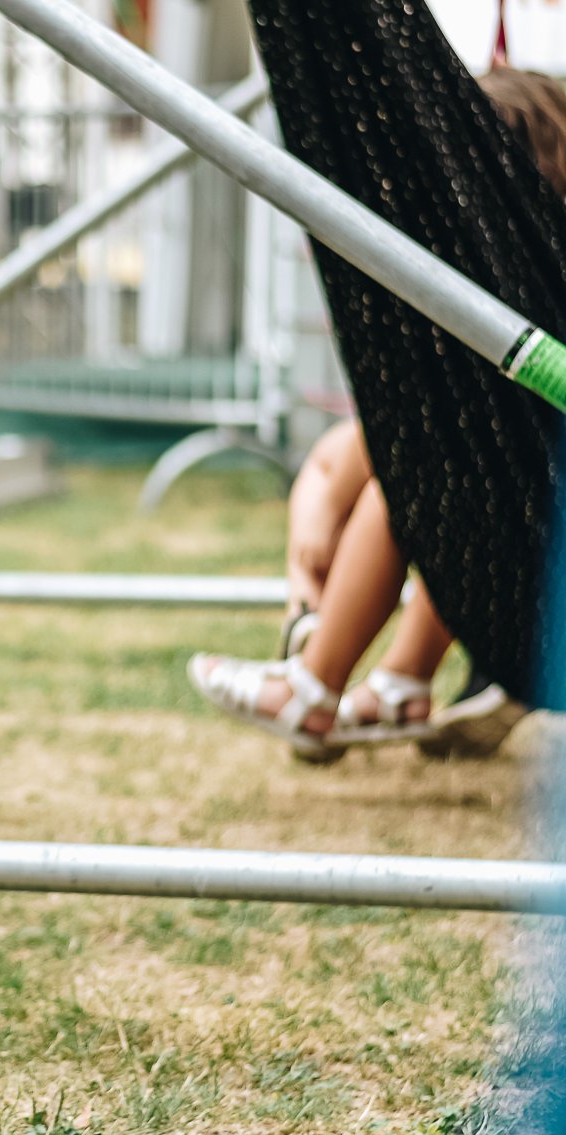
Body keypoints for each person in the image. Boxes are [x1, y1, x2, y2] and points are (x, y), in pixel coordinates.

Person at [189, 67, 564, 761]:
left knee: (426, 480)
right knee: (438, 475)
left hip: (538, 558)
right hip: (521, 536)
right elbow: (342, 459)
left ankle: (314, 684)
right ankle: (397, 678)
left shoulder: (526, 298)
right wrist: (307, 567)